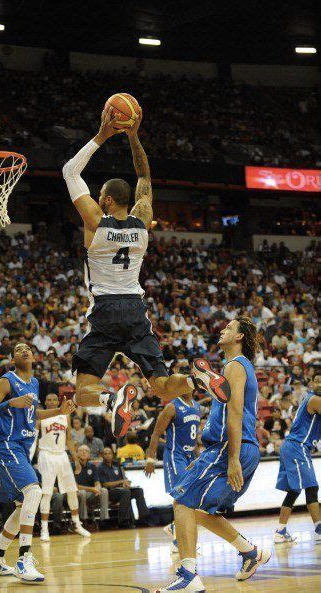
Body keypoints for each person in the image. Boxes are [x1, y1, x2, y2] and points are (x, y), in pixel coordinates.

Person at [62, 107, 230, 438]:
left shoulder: (95, 223)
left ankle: (111, 400)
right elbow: (144, 178)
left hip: (107, 309)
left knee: (82, 389)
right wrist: (134, 136)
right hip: (137, 310)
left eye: (100, 197)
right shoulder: (142, 222)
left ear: (106, 200)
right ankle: (198, 378)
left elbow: (70, 171)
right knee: (165, 387)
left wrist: (101, 136)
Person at [156, 318, 271, 592]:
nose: (222, 330)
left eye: (229, 328)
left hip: (230, 447)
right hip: (233, 447)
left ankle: (188, 577)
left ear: (240, 336)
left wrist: (231, 458)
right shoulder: (233, 369)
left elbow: (235, 413)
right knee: (196, 509)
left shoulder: (235, 366)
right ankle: (250, 552)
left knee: (182, 501)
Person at [0, 342, 74, 582]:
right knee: (34, 492)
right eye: (18, 349)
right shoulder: (6, 381)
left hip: (21, 447)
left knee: (23, 506)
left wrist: (59, 411)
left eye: (27, 348)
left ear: (34, 356)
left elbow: (32, 414)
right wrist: (10, 402)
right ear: (12, 360)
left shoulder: (35, 383)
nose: (24, 350)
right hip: (5, 444)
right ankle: (24, 558)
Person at [145, 389, 201, 554]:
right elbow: (155, 434)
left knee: (190, 498)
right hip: (175, 456)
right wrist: (150, 459)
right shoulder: (172, 407)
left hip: (190, 456)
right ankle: (177, 539)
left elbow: (194, 439)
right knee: (181, 496)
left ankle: (173, 527)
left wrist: (199, 459)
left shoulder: (197, 407)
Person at [274, 369, 321, 544]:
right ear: (311, 383)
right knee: (312, 487)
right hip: (297, 447)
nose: (320, 384)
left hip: (293, 447)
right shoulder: (315, 399)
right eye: (317, 381)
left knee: (294, 491)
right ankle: (319, 528)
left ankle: (280, 530)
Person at [36, 392, 90, 542]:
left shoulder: (65, 415)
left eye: (54, 399)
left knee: (72, 490)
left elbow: (69, 440)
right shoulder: (40, 415)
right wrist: (30, 457)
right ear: (45, 401)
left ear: (58, 401)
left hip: (62, 454)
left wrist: (76, 460)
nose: (52, 402)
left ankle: (76, 523)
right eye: (49, 399)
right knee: (46, 493)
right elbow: (34, 438)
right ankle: (44, 528)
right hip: (46, 454)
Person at [98, 447, 149, 528]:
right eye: (105, 454)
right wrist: (121, 482)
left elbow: (124, 480)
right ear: (102, 456)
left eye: (109, 453)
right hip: (109, 492)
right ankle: (123, 521)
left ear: (112, 455)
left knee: (138, 490)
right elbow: (105, 484)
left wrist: (127, 483)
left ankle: (143, 519)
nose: (107, 456)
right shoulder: (100, 468)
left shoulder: (117, 466)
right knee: (126, 493)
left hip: (121, 490)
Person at [75, 444, 109, 525]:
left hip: (90, 493)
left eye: (86, 451)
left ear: (89, 455)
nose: (84, 452)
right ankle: (83, 519)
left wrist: (97, 488)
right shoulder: (73, 466)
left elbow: (97, 483)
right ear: (77, 454)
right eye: (81, 450)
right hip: (77, 493)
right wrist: (92, 489)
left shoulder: (92, 466)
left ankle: (103, 520)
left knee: (104, 490)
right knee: (82, 492)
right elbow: (75, 486)